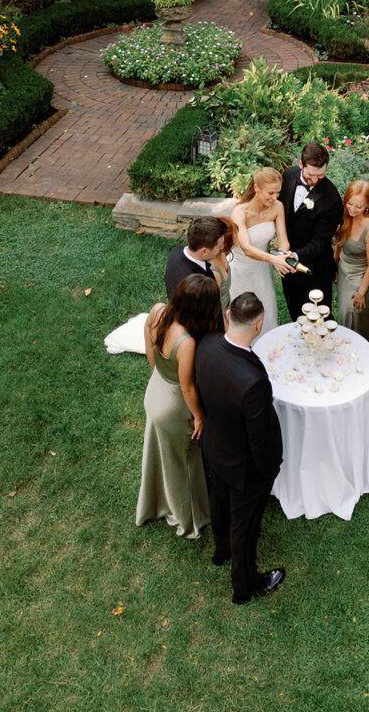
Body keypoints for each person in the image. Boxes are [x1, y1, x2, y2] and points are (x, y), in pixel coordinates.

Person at [195, 291, 285, 605]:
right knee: (244, 526)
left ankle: (221, 550)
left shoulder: (206, 345)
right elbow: (260, 439)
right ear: (258, 326)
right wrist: (268, 469)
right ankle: (245, 586)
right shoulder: (253, 382)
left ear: (229, 316)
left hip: (214, 446)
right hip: (243, 466)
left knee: (219, 501)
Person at [136, 273, 221, 539]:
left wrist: (159, 374)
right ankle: (189, 519)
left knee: (165, 454)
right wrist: (199, 416)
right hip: (174, 407)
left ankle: (158, 500)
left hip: (155, 391)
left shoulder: (158, 311)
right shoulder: (186, 342)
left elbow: (149, 345)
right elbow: (187, 387)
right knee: (185, 462)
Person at [279, 141, 343, 319]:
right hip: (288, 263)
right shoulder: (288, 175)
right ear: (301, 164)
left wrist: (295, 256)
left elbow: (320, 242)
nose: (314, 180)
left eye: (320, 175)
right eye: (310, 175)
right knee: (295, 312)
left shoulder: (332, 199)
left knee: (319, 317)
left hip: (316, 268)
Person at [229, 168, 294, 337]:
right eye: (270, 193)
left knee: (267, 311)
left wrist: (284, 255)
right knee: (242, 316)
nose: (275, 197)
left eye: (278, 193)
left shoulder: (277, 207)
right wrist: (274, 260)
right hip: (240, 271)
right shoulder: (239, 212)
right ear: (256, 188)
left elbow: (283, 240)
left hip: (262, 270)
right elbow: (246, 248)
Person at [335, 180, 369, 344]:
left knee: (356, 317)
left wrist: (362, 292)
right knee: (344, 313)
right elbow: (339, 245)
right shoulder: (346, 216)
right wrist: (335, 269)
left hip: (361, 277)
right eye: (350, 204)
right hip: (343, 273)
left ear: (368, 205)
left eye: (359, 207)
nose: (353, 209)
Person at [165, 216, 225, 300]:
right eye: (219, 246)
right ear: (204, 251)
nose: (222, 247)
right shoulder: (200, 284)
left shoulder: (176, 251)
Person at [211, 216, 239, 326]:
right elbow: (215, 311)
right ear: (222, 244)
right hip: (219, 322)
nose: (236, 244)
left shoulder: (221, 254)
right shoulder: (214, 272)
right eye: (233, 240)